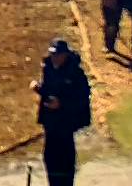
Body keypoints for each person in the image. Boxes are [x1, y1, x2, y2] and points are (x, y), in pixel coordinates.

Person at [30, 39, 91, 186]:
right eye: (52, 54)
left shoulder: (75, 73)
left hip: (66, 122)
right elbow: (48, 90)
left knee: (65, 159)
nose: (54, 58)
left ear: (65, 55)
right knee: (50, 157)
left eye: (57, 55)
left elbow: (82, 98)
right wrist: (38, 88)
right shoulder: (48, 69)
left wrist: (61, 104)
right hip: (50, 122)